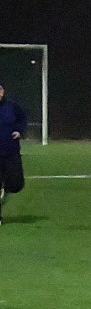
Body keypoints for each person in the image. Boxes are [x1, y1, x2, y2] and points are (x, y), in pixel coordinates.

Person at [0, 83, 28, 226]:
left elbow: (22, 119)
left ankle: (5, 193)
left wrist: (19, 130)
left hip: (11, 152)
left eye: (0, 89)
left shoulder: (12, 107)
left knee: (16, 184)